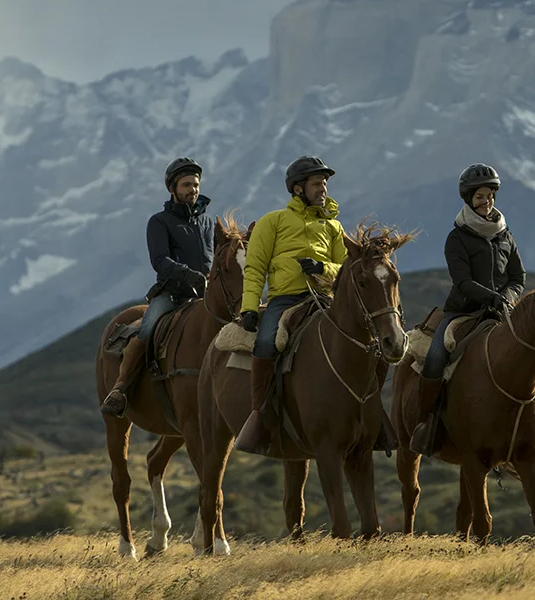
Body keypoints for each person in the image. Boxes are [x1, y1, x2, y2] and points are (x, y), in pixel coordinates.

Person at [409, 164, 535, 456]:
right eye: (479, 196)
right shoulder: (457, 238)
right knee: (436, 359)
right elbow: (462, 281)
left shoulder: (505, 236)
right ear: (468, 199)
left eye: (490, 195)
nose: (486, 200)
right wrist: (492, 298)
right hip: (463, 311)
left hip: (504, 309)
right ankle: (427, 422)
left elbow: (519, 277)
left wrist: (508, 297)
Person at [233, 155, 349, 455]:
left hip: (324, 300)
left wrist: (323, 269)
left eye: (324, 183)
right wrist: (249, 308)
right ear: (298, 189)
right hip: (284, 300)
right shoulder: (273, 221)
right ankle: (260, 415)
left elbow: (347, 270)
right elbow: (255, 267)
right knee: (266, 345)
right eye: (316, 183)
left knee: (364, 342)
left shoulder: (334, 227)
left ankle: (371, 416)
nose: (322, 188)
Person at [100, 157, 214, 416]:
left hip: (206, 295)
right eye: (186, 185)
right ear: (172, 189)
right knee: (147, 329)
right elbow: (160, 261)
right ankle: (120, 389)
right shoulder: (159, 222)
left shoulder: (208, 223)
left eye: (195, 184)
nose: (192, 189)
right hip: (172, 295)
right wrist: (189, 275)